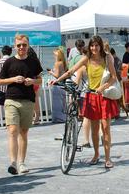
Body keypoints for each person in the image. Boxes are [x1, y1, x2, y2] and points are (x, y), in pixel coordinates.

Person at [51, 36, 119, 168]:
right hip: (91, 96)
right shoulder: (86, 59)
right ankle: (96, 154)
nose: (94, 48)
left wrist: (102, 87)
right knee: (94, 130)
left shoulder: (107, 58)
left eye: (97, 45)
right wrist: (58, 79)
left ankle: (108, 158)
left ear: (100, 46)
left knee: (105, 128)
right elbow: (71, 71)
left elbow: (113, 77)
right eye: (92, 46)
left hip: (104, 96)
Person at [0, 34, 43, 175]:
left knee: (23, 132)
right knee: (12, 130)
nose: (21, 47)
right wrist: (13, 79)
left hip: (28, 100)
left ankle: (22, 162)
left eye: (24, 45)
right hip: (11, 100)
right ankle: (13, 162)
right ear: (14, 47)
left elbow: (40, 79)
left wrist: (32, 81)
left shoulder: (33, 61)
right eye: (19, 45)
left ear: (28, 45)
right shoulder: (9, 62)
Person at [49, 48, 68, 123]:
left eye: (55, 55)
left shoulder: (57, 63)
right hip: (63, 85)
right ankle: (63, 118)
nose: (54, 56)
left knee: (57, 104)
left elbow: (57, 75)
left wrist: (51, 72)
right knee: (62, 104)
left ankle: (58, 118)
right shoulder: (64, 63)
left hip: (57, 85)